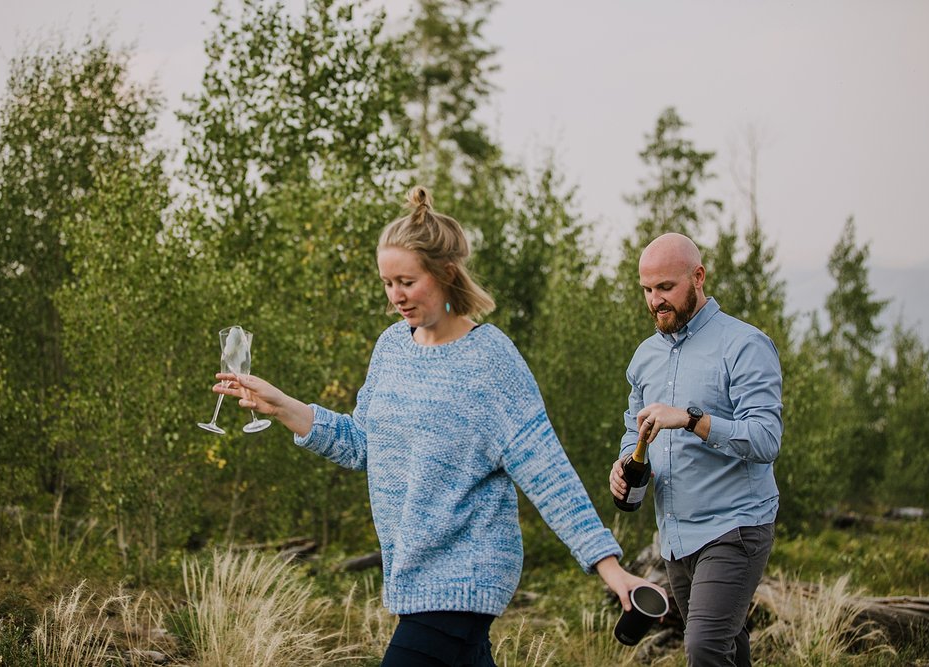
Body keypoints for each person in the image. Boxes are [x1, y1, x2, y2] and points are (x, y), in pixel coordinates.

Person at [215, 186, 659, 666]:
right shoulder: (391, 348)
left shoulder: (491, 361)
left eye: (406, 281)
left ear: (446, 274)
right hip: (413, 573)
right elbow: (361, 444)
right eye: (387, 283)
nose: (395, 297)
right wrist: (280, 405)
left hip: (466, 573)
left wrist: (612, 571)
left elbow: (547, 470)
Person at [609, 232, 782, 667]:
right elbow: (635, 432)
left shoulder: (744, 344)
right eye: (647, 289)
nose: (655, 301)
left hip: (735, 526)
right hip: (675, 536)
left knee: (704, 647)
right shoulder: (644, 356)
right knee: (727, 646)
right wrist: (624, 462)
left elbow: (765, 439)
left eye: (666, 287)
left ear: (698, 277)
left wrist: (690, 419)